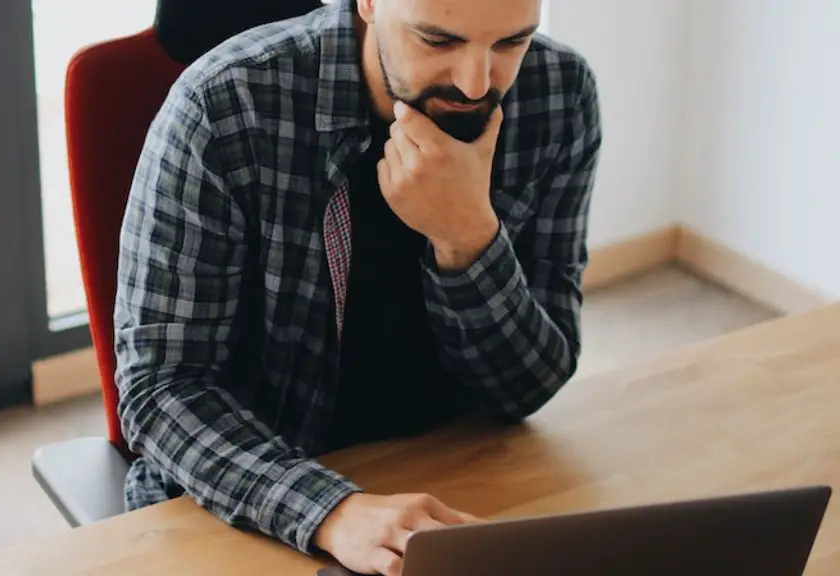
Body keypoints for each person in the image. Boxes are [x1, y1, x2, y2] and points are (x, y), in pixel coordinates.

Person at [113, 0, 601, 573]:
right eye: (438, 41)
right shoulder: (223, 105)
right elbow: (160, 389)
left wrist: (468, 237)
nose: (476, 84)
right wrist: (332, 511)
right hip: (248, 501)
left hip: (450, 478)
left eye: (510, 43)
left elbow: (528, 388)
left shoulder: (559, 92)